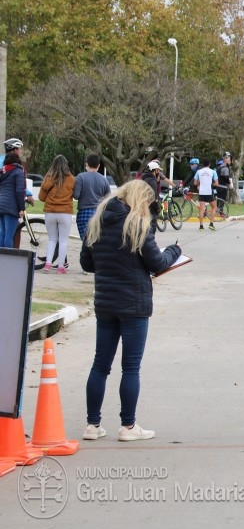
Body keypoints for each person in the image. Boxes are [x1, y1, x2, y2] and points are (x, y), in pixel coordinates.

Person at [80, 180, 182, 442]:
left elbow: (86, 263)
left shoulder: (97, 221)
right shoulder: (137, 224)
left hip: (105, 302)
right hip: (134, 304)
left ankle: (92, 425)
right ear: (141, 200)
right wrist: (174, 250)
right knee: (131, 368)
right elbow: (157, 263)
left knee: (100, 364)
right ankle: (128, 426)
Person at [38, 155, 76, 273]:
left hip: (50, 212)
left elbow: (41, 197)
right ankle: (60, 267)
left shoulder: (49, 177)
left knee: (52, 239)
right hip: (65, 212)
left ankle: (48, 264)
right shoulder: (71, 179)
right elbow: (74, 195)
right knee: (63, 240)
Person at [73, 154, 112, 241]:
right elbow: (108, 198)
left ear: (86, 164)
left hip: (84, 213)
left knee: (85, 241)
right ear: (98, 165)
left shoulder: (80, 177)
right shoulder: (103, 179)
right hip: (98, 212)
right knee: (96, 240)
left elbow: (76, 196)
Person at [0, 151, 26, 248]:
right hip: (11, 207)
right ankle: (8, 260)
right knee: (9, 235)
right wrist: (21, 208)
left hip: (1, 205)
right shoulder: (18, 171)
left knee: (2, 233)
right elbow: (19, 191)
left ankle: (1, 259)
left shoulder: (2, 171)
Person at [194, 158, 219, 231]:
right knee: (214, 207)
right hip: (209, 192)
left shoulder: (199, 171)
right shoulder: (213, 172)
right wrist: (211, 183)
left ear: (202, 164)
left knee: (201, 209)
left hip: (201, 192)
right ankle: (211, 224)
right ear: (209, 164)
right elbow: (217, 184)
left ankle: (201, 226)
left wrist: (200, 183)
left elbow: (195, 183)